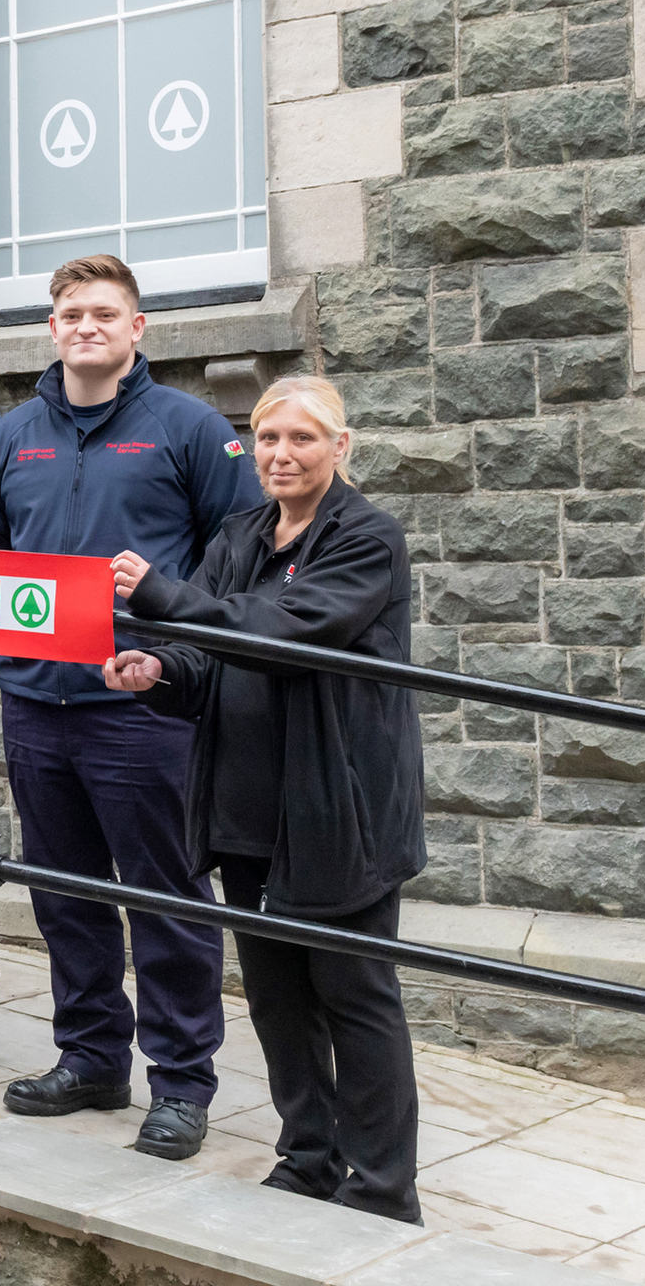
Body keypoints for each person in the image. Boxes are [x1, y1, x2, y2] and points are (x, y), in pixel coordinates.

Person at [104, 376, 425, 1223]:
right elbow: (208, 655)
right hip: (247, 805)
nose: (282, 455)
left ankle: (384, 1189)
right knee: (278, 995)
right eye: (267, 439)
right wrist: (159, 670)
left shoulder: (368, 539)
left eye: (302, 439)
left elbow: (288, 632)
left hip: (336, 810)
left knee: (353, 996)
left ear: (339, 447)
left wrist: (165, 599)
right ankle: (309, 1158)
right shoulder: (240, 534)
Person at [0, 254, 260, 1161]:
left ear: (139, 329)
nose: (85, 326)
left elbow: (236, 558)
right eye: (69, 313)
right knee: (66, 893)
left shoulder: (190, 430)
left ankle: (181, 1083)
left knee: (165, 896)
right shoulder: (9, 438)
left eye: (104, 313)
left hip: (144, 708)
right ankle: (91, 1056)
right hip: (36, 702)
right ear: (50, 329)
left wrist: (177, 651)